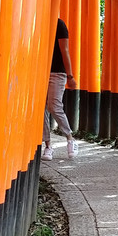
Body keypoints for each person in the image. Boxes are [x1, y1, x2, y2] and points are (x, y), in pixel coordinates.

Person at [43, 17, 78, 160]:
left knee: (54, 106)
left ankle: (70, 138)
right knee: (41, 110)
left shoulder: (59, 24)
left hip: (57, 72)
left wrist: (70, 76)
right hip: (40, 71)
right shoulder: (37, 19)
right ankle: (48, 146)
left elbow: (65, 50)